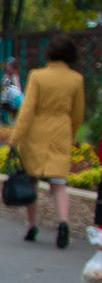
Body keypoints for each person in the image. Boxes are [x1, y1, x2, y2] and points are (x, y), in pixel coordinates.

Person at [12, 35, 87, 248]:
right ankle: (63, 222)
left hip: (36, 133)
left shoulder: (37, 76)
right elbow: (78, 113)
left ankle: (32, 225)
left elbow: (27, 109)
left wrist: (15, 136)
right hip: (60, 133)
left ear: (49, 53)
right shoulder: (76, 79)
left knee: (32, 181)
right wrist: (71, 135)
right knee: (59, 184)